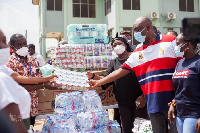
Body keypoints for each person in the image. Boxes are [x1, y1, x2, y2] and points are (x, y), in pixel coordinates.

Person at [88, 16, 178, 133]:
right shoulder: (138, 52)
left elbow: (185, 66)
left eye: (137, 30)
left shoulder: (170, 41)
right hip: (153, 104)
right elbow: (120, 71)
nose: (135, 34)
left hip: (174, 103)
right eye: (134, 31)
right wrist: (99, 81)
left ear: (148, 27)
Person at [87, 33, 147, 133]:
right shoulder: (113, 63)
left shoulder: (135, 58)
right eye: (114, 45)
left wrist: (143, 96)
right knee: (126, 128)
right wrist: (93, 76)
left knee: (140, 128)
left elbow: (146, 77)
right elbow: (106, 79)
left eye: (119, 44)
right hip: (123, 102)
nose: (117, 47)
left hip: (139, 100)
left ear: (125, 45)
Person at [7, 33, 50, 128]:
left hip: (33, 106)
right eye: (19, 44)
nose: (23, 46)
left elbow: (39, 78)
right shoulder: (9, 63)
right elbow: (17, 88)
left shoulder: (34, 61)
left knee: (31, 128)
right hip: (18, 108)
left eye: (24, 43)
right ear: (12, 46)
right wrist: (43, 85)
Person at [168, 33, 200, 133]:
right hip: (179, 114)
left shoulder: (198, 62)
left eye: (178, 44)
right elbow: (180, 88)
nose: (175, 47)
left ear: (188, 44)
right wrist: (173, 104)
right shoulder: (180, 63)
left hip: (194, 114)